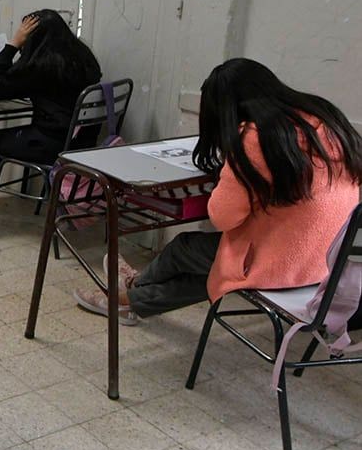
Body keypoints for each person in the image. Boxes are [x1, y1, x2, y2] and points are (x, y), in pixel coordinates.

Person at [74, 58, 362, 324]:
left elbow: (222, 217)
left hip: (281, 263)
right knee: (212, 269)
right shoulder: (324, 118)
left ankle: (129, 294)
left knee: (184, 249)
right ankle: (132, 297)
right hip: (327, 262)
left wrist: (229, 170)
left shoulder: (255, 138)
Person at [0, 9, 102, 216]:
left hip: (53, 144)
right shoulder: (82, 56)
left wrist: (12, 45)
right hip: (80, 141)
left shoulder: (42, 66)